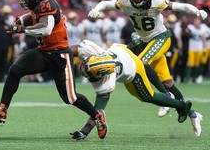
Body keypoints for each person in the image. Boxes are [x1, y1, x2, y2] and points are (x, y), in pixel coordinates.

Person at [0, 0, 108, 139]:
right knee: (15, 70)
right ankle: (2, 110)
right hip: (44, 51)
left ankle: (97, 115)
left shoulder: (48, 5)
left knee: (70, 97)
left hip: (59, 54)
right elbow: (34, 16)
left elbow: (45, 28)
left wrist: (22, 29)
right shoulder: (40, 5)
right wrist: (21, 20)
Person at [88, 0, 207, 119]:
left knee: (142, 62)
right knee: (168, 82)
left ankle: (166, 96)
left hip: (160, 38)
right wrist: (97, 9)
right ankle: (192, 114)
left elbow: (180, 6)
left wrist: (196, 11)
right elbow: (106, 3)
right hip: (145, 42)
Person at [70, 40, 202, 140]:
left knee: (148, 97)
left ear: (101, 75)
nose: (82, 70)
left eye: (86, 71)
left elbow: (97, 112)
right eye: (84, 65)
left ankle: (182, 105)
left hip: (133, 68)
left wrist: (85, 131)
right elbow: (73, 49)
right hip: (121, 50)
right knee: (151, 89)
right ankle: (179, 103)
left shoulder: (106, 82)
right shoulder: (94, 52)